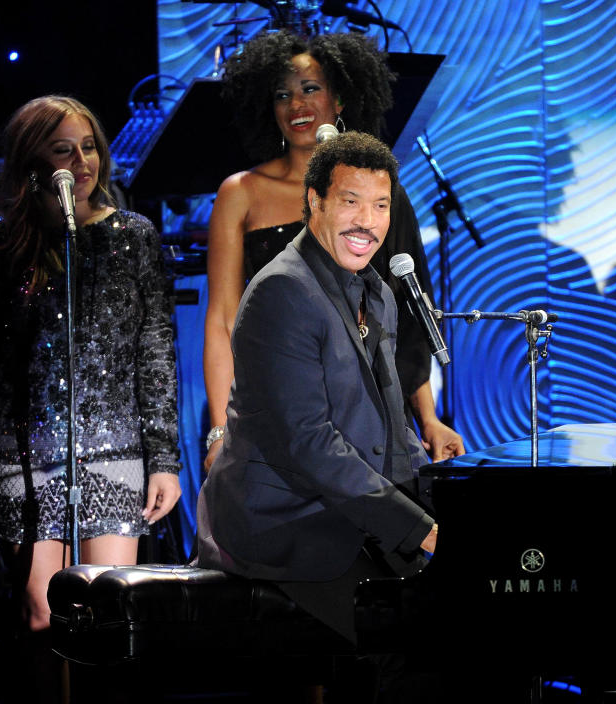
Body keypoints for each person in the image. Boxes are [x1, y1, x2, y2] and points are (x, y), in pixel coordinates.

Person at [0, 96, 181, 700]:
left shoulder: (134, 238)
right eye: (63, 149)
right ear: (34, 160)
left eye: (88, 146)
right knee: (42, 619)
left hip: (115, 451)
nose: (81, 161)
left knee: (108, 613)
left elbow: (156, 352)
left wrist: (164, 459)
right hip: (24, 457)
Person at [197, 130, 435, 654]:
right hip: (285, 522)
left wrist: (442, 504)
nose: (367, 222)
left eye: (379, 205)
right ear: (315, 202)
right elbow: (309, 443)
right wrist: (414, 527)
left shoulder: (378, 292)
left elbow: (394, 429)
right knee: (413, 645)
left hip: (343, 509)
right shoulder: (283, 291)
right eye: (351, 202)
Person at [203, 30, 463, 471]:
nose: (296, 105)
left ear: (339, 101)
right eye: (282, 94)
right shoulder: (241, 192)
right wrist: (220, 429)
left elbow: (407, 313)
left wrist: (428, 418)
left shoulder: (382, 196)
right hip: (276, 405)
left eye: (310, 89)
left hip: (371, 411)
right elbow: (223, 318)